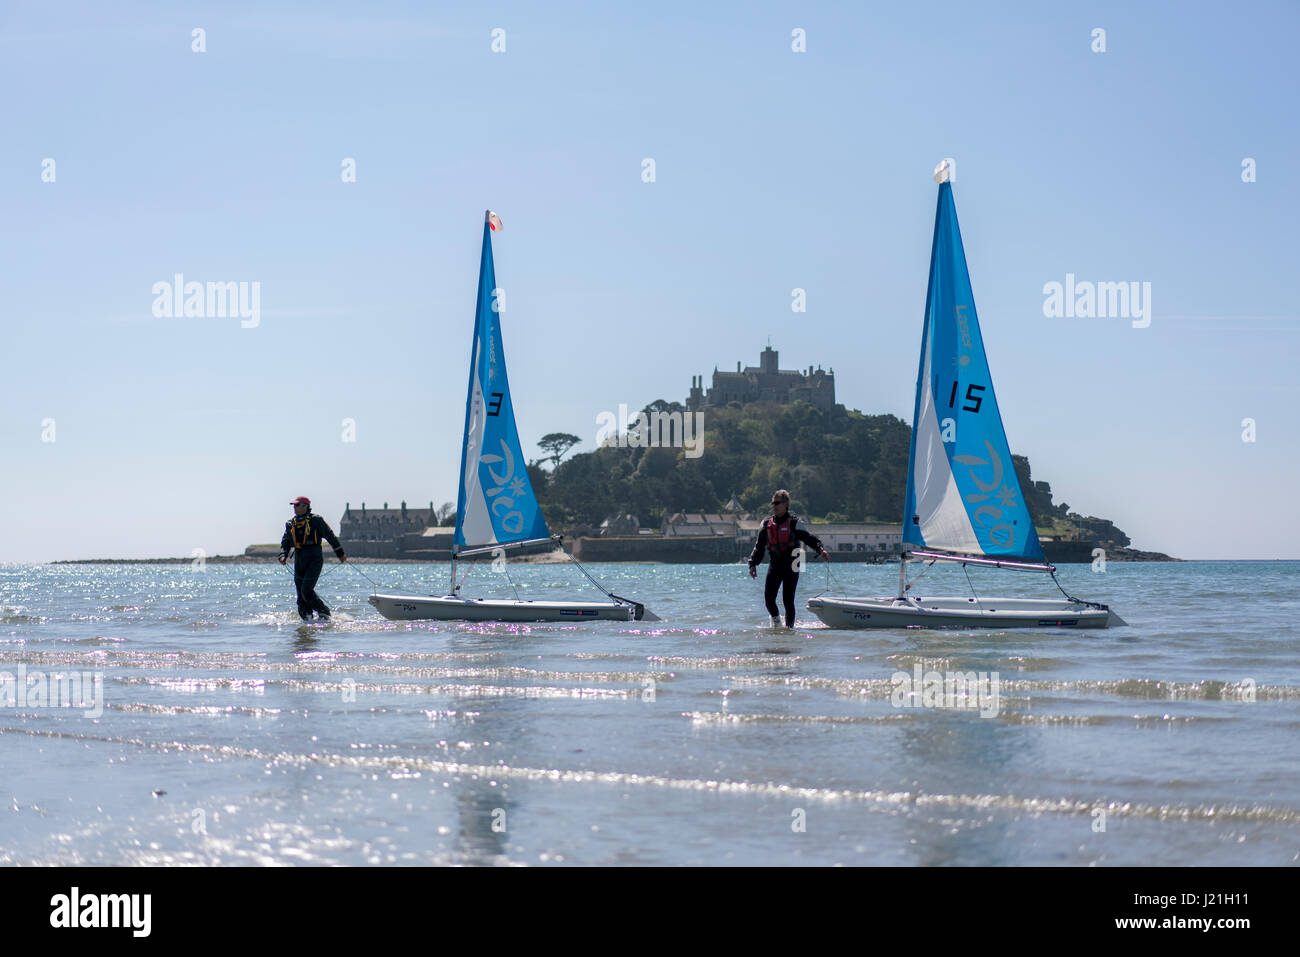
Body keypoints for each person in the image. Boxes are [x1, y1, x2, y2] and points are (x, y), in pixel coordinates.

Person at [748, 489, 829, 628]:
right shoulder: (766, 524)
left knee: (788, 600)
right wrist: (752, 564)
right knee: (769, 600)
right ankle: (777, 623)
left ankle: (789, 629)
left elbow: (809, 539)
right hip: (775, 563)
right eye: (773, 503)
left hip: (794, 562)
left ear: (786, 504)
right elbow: (759, 546)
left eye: (777, 503)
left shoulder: (795, 523)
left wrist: (821, 549)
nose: (774, 506)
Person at [279, 496, 346, 620]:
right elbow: (285, 542)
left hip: (314, 558)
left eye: (297, 505)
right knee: (300, 595)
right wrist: (283, 555)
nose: (295, 507)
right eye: (293, 505)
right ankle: (307, 621)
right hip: (299, 559)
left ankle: (324, 612)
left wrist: (340, 553)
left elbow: (330, 536)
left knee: (306, 591)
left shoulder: (316, 520)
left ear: (305, 506)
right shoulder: (290, 524)